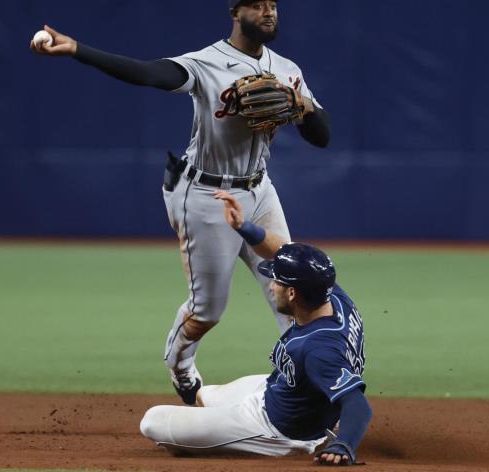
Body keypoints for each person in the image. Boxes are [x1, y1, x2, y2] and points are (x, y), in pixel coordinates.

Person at [30, 0, 332, 404]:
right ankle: (180, 364)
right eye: (257, 4)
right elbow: (147, 74)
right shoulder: (206, 62)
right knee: (208, 310)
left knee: (292, 286)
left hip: (260, 191)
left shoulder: (287, 71)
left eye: (272, 5)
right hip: (205, 194)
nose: (268, 11)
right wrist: (79, 49)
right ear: (236, 13)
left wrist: (302, 107)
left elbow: (322, 136)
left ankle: (309, 394)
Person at [138, 190, 370, 466]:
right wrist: (243, 227)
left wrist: (345, 444)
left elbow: (357, 403)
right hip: (278, 390)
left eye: (276, 281)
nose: (271, 285)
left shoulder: (319, 349)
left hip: (275, 430)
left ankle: (302, 443)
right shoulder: (331, 296)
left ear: (293, 293)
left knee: (152, 421)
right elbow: (281, 250)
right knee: (205, 395)